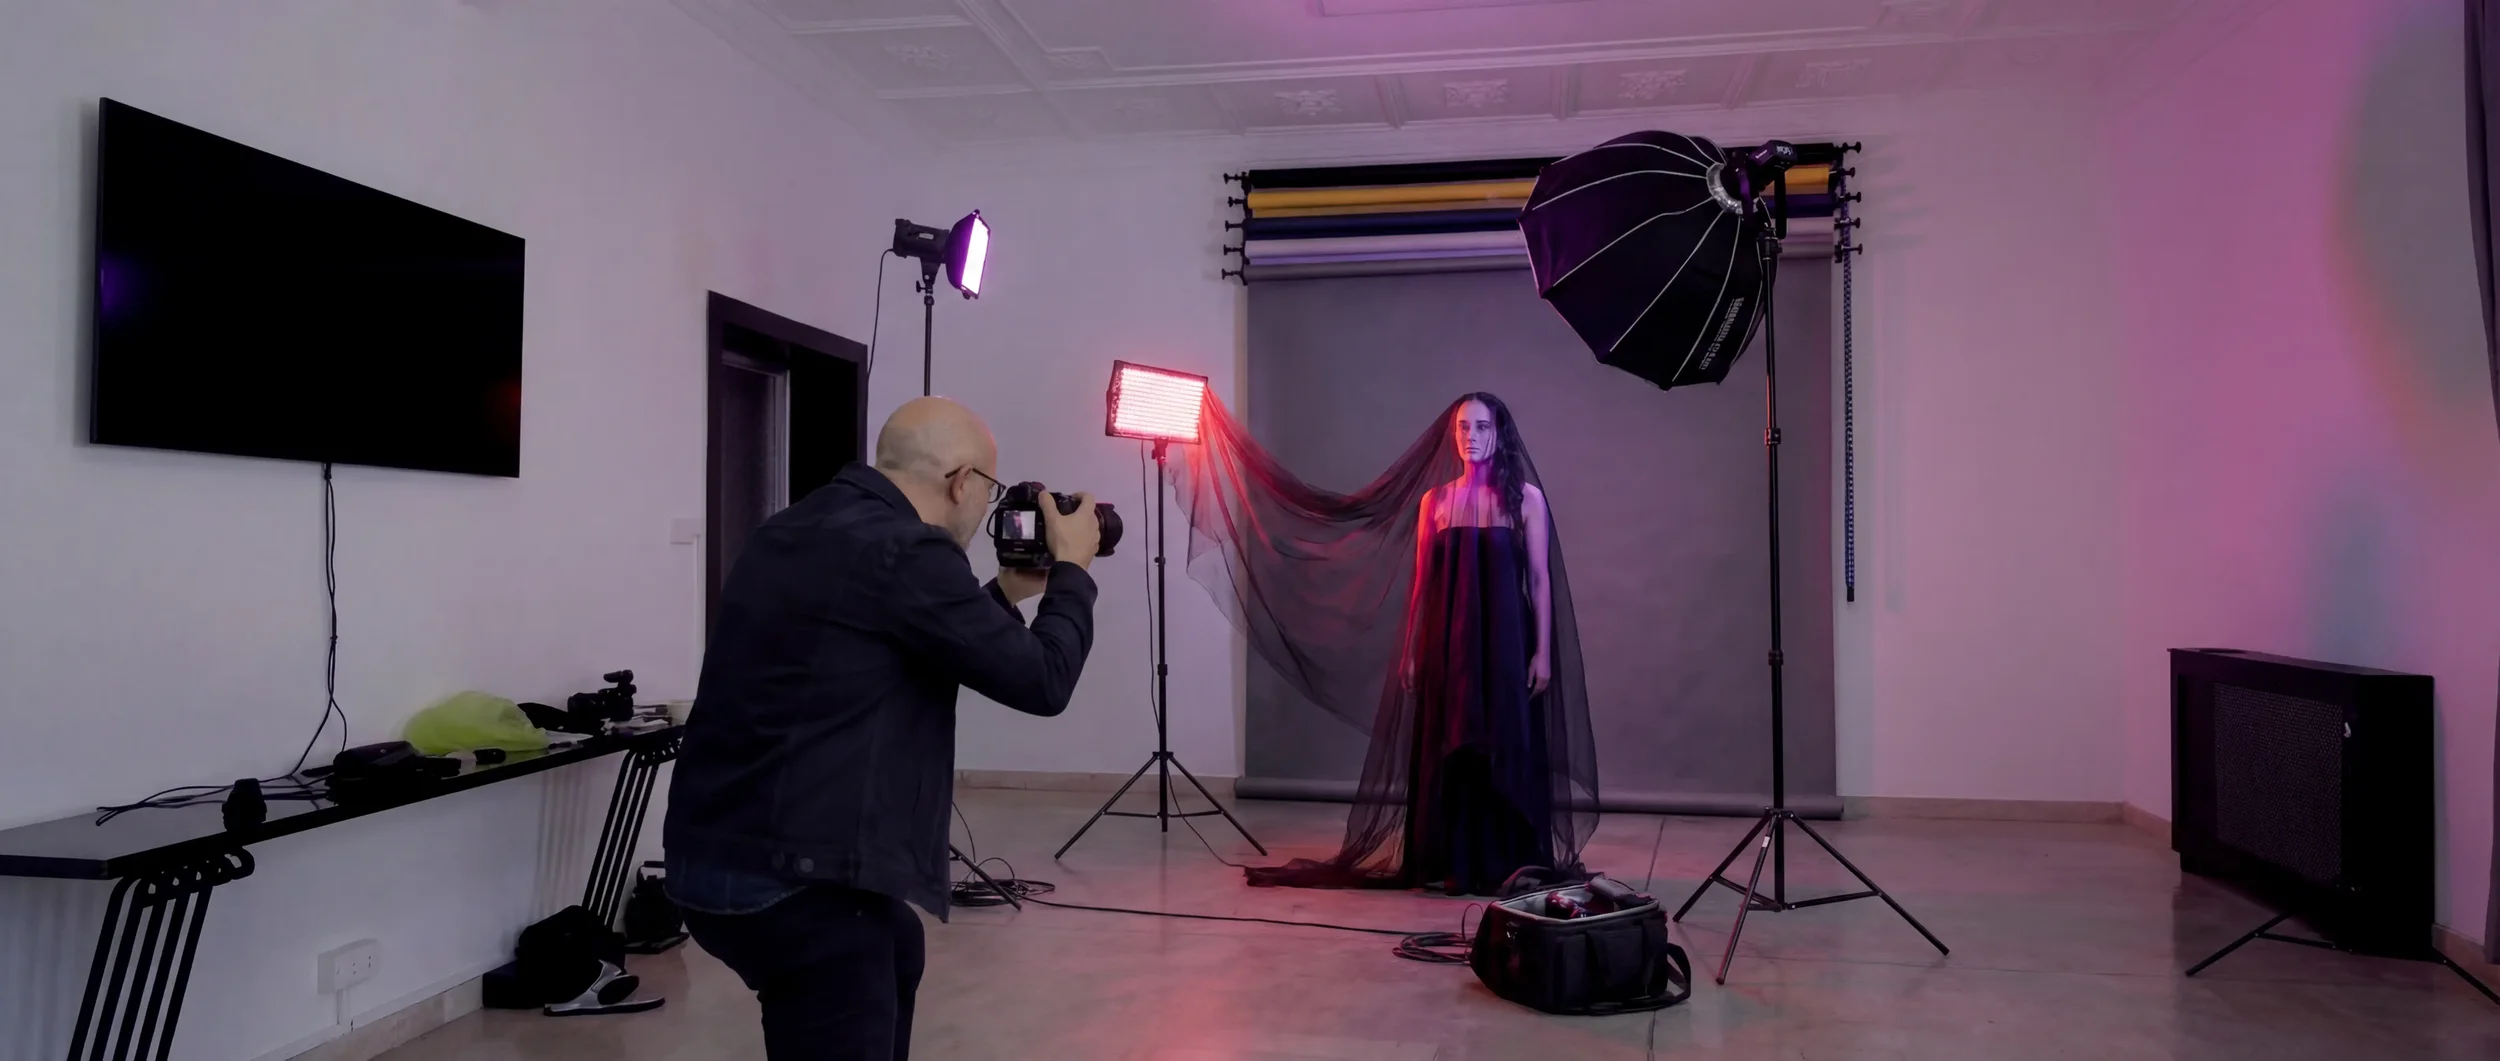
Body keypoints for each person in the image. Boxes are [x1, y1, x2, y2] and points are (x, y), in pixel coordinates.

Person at [662, 396, 1101, 1061]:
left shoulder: (797, 525)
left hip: (709, 857)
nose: (984, 507)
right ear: (961, 481)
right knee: (854, 955)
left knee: (896, 941)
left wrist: (1005, 594)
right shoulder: (909, 550)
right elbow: (1044, 681)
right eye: (988, 489)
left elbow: (895, 634)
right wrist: (1072, 573)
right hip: (792, 880)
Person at [1174, 391, 1597, 895]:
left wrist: (1542, 652)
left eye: (1482, 427)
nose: (1470, 437)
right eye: (1463, 428)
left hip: (1507, 643)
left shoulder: (1525, 499)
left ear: (1500, 434)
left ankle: (1507, 861)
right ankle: (1454, 861)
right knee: (1453, 746)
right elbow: (1422, 584)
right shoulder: (1435, 501)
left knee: (1505, 745)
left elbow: (1540, 580)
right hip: (1448, 644)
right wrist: (1414, 649)